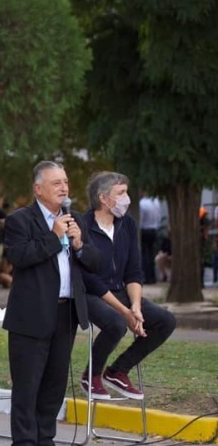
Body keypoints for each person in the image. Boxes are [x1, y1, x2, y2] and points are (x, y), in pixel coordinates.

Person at [2, 160, 100, 446]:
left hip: (65, 313)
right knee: (28, 383)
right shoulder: (20, 220)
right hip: (31, 315)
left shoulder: (76, 220)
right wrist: (54, 237)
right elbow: (19, 257)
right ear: (38, 189)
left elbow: (96, 262)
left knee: (55, 382)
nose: (64, 188)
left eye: (66, 182)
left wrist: (79, 243)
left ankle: (46, 442)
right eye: (56, 183)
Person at [79, 172, 176, 401]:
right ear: (104, 198)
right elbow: (89, 278)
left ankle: (118, 371)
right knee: (117, 323)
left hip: (121, 290)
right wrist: (125, 312)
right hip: (90, 294)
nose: (127, 199)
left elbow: (134, 270)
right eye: (121, 193)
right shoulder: (83, 225)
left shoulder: (127, 224)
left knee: (165, 320)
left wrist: (135, 306)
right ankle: (91, 375)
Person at [139, 191, 162, 284]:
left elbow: (140, 218)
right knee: (152, 253)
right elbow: (159, 217)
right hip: (154, 229)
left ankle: (146, 277)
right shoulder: (156, 201)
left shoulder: (142, 204)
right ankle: (153, 277)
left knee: (145, 254)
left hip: (145, 229)